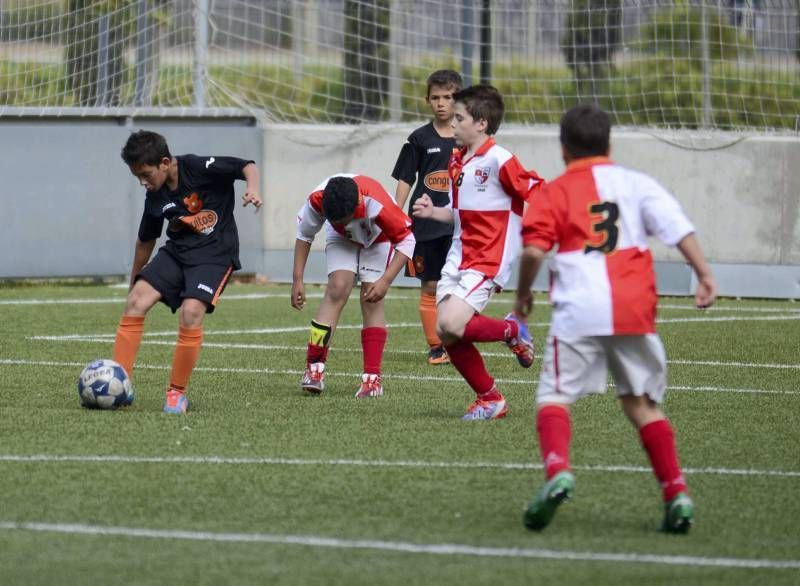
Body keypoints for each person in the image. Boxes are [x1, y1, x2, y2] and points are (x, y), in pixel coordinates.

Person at [513, 104, 717, 533]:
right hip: (633, 307)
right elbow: (678, 228)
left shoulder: (553, 192)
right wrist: (703, 274)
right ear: (609, 143)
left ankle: (558, 473)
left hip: (579, 309)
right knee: (641, 403)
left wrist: (524, 293)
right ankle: (676, 492)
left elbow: (533, 250)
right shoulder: (637, 183)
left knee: (554, 397)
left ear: (564, 148)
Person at [412, 84, 544, 420]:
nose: (452, 124)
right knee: (446, 331)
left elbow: (539, 193)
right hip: (458, 256)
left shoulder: (501, 160)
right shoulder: (458, 161)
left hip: (488, 258)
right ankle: (490, 398)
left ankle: (512, 331)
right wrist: (432, 212)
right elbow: (457, 216)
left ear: (481, 123)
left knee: (452, 324)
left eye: (459, 118)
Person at [112, 130, 262, 413]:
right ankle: (120, 384)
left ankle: (176, 393)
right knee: (136, 301)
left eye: (146, 174)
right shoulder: (154, 196)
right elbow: (146, 240)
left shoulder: (198, 167)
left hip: (215, 255)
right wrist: (135, 280)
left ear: (165, 162)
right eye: (137, 178)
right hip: (178, 252)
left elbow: (246, 165)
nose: (143, 182)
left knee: (191, 312)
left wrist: (252, 188)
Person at [291, 174, 416, 398]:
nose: (342, 224)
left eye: (345, 219)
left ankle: (372, 380)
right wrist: (297, 279)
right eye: (335, 220)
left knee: (371, 298)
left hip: (379, 238)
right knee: (337, 288)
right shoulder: (318, 200)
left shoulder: (378, 203)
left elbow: (408, 240)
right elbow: (304, 235)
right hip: (342, 240)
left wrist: (385, 281)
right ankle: (314, 369)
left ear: (358, 203)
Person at [391, 69, 462, 366]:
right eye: (436, 98)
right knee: (430, 284)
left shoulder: (468, 138)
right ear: (427, 100)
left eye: (448, 97)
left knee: (461, 284)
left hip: (460, 225)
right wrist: (396, 214)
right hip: (426, 226)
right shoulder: (418, 138)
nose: (441, 103)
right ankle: (436, 346)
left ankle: (459, 339)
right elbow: (406, 178)